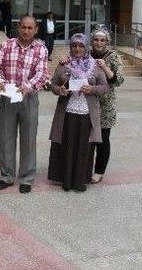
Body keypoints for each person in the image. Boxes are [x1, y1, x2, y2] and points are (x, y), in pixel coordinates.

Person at [0, 15, 48, 194]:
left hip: (28, 97)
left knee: (29, 138)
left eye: (30, 28)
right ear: (18, 27)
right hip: (8, 95)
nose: (26, 31)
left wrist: (27, 87)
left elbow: (41, 73)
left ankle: (26, 178)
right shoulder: (7, 45)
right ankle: (7, 176)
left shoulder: (41, 49)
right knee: (6, 137)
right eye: (23, 27)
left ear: (36, 29)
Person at [48, 33, 108, 192]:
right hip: (67, 112)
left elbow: (105, 87)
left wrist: (92, 89)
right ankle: (66, 180)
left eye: (81, 45)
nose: (77, 48)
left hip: (87, 114)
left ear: (86, 47)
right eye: (74, 45)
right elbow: (52, 85)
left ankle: (79, 180)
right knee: (67, 145)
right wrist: (59, 89)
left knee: (84, 147)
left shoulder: (95, 66)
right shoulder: (64, 64)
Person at [88, 25, 124, 184]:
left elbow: (119, 80)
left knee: (102, 139)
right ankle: (84, 168)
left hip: (105, 104)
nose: (99, 42)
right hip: (87, 102)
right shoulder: (86, 54)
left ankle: (99, 171)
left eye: (102, 40)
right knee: (87, 138)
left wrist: (104, 66)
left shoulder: (113, 56)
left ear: (107, 41)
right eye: (96, 39)